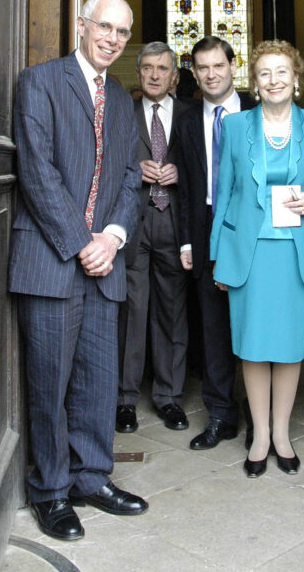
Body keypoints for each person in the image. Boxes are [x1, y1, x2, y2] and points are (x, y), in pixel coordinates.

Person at [8, 0, 147, 543]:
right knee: (49, 382)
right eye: (105, 27)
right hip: (50, 259)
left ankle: (92, 477)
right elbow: (36, 171)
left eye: (122, 31)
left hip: (104, 261)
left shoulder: (121, 98)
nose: (113, 39)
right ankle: (51, 492)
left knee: (97, 380)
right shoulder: (39, 82)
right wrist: (80, 242)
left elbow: (132, 178)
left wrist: (111, 238)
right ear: (82, 26)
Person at [209, 40, 304, 477]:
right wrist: (217, 256)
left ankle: (282, 433)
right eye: (265, 73)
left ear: (295, 78)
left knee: (289, 348)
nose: (274, 80)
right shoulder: (236, 125)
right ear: (254, 82)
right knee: (254, 348)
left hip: (295, 252)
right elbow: (223, 193)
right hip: (249, 253)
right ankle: (259, 434)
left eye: (282, 72)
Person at [177, 36, 254, 450]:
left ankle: (261, 417)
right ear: (194, 72)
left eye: (218, 66)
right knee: (213, 325)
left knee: (256, 321)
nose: (211, 75)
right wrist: (188, 242)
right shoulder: (187, 121)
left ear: (232, 65)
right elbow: (186, 188)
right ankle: (221, 414)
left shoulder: (259, 112)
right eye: (202, 68)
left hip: (253, 223)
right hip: (206, 225)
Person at [116, 43, 189, 433]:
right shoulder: (122, 114)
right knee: (131, 311)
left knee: (172, 312)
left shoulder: (191, 116)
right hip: (132, 224)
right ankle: (125, 400)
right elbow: (106, 164)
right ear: (139, 73)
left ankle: (168, 397)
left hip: (174, 222)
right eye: (147, 68)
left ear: (174, 75)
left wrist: (182, 171)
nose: (155, 75)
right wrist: (133, 168)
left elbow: (204, 166)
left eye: (162, 68)